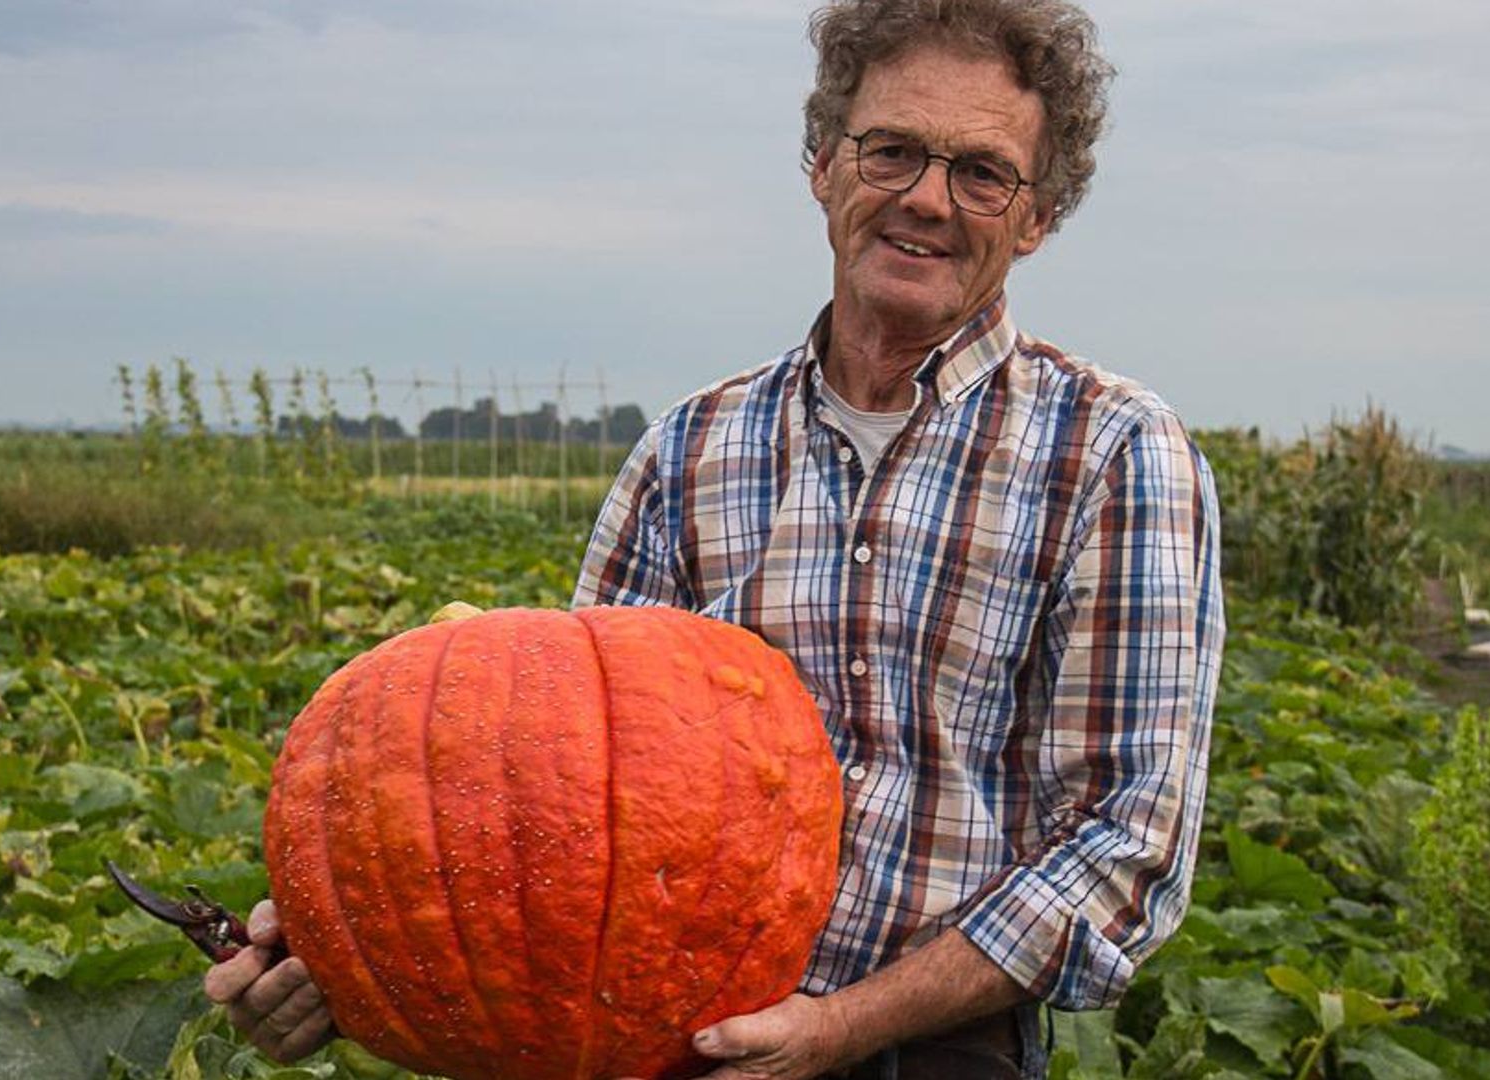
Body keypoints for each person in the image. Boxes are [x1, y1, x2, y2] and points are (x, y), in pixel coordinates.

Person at [207, 1, 1224, 1077]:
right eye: (891, 152)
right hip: (667, 1031)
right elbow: (552, 797)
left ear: (1037, 217)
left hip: (936, 1042)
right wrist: (349, 957)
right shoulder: (689, 449)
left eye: (982, 172)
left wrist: (846, 1026)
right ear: (824, 164)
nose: (928, 198)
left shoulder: (1113, 451)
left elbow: (1127, 840)